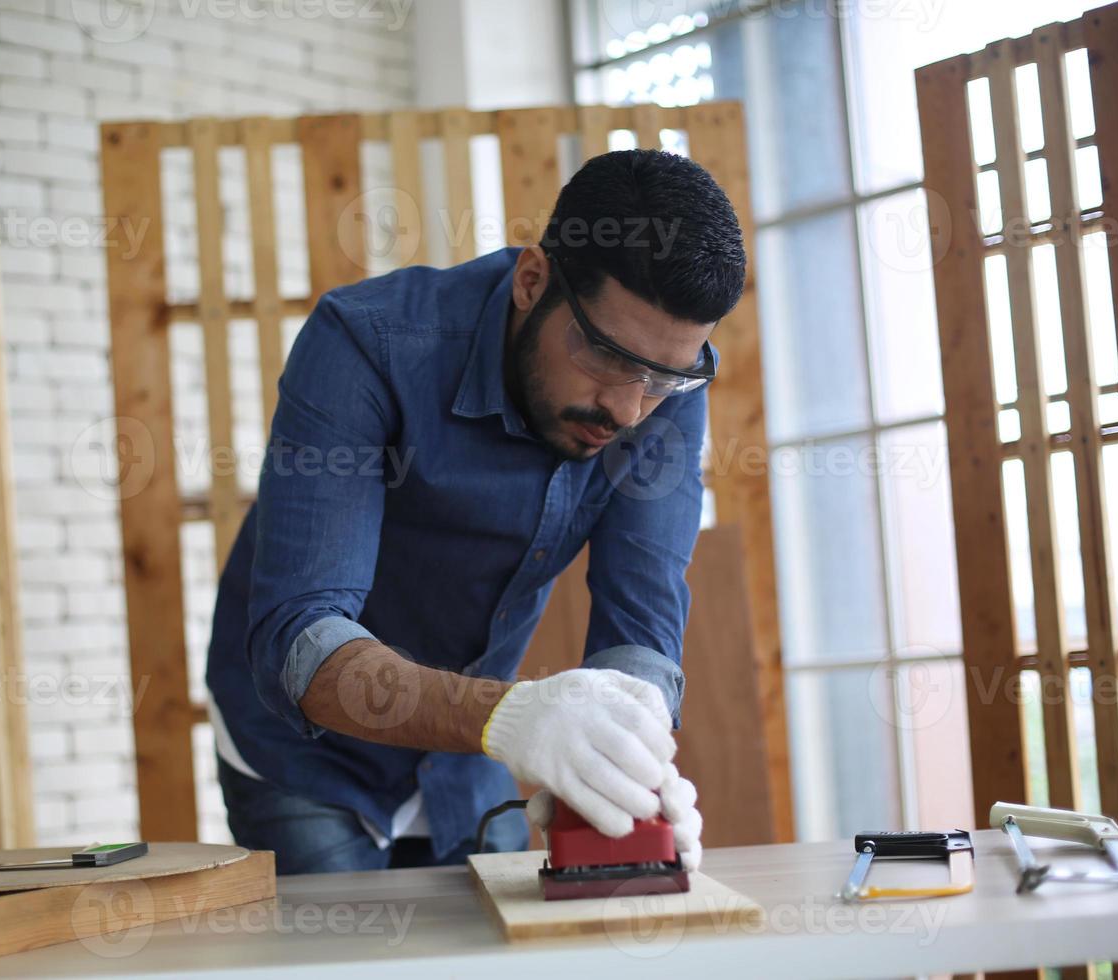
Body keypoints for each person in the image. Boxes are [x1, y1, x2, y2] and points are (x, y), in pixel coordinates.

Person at [204, 148, 747, 874]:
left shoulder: (663, 385)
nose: (627, 408)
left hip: (473, 754)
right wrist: (512, 718)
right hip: (306, 756)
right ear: (532, 281)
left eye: (661, 378)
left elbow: (641, 615)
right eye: (609, 358)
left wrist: (623, 762)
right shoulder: (364, 345)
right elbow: (300, 643)